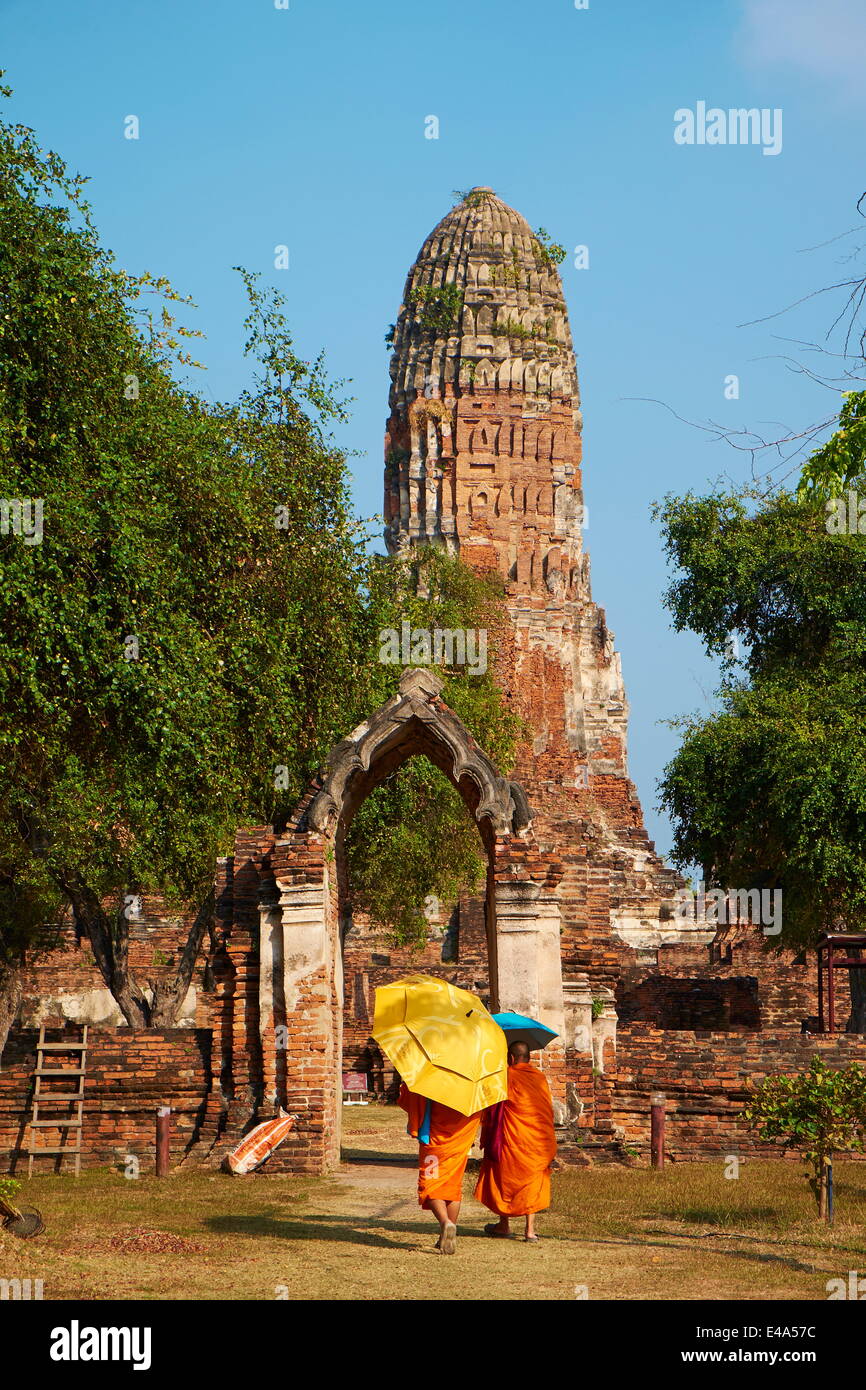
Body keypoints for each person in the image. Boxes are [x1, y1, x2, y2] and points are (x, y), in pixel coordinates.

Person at [474, 1040, 557, 1241]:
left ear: (511, 1058)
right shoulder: (539, 1077)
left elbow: (492, 1106)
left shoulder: (506, 1077)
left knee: (505, 1177)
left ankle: (504, 1224)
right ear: (529, 1058)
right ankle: (529, 1231)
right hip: (538, 1140)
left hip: (513, 1139)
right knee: (533, 1179)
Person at [399, 1083, 482, 1254]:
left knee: (430, 1185)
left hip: (435, 1140)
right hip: (461, 1141)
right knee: (452, 1187)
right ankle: (444, 1235)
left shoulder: (433, 1077)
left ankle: (445, 1222)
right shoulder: (472, 1081)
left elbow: (412, 1095)